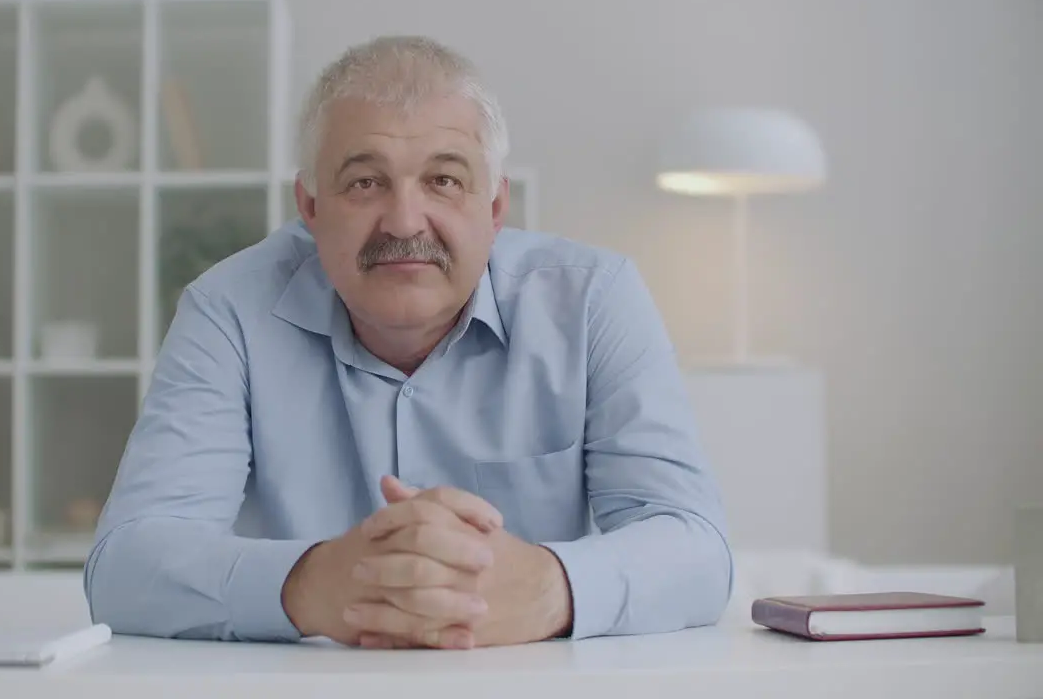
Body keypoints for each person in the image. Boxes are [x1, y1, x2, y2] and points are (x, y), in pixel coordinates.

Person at [84, 35, 732, 650]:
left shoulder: (594, 300)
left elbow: (697, 549)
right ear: (309, 207)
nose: (403, 221)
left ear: (496, 206)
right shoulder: (228, 310)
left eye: (444, 180)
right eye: (365, 182)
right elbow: (125, 564)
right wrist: (312, 583)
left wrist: (545, 587)